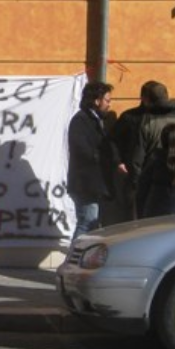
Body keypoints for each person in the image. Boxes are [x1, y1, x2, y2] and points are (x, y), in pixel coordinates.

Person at [66, 81, 115, 241]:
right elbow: (82, 149)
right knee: (87, 221)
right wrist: (101, 158)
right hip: (85, 183)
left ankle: (85, 255)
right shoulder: (81, 120)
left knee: (92, 224)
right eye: (107, 100)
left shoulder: (99, 120)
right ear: (97, 100)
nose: (109, 104)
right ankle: (75, 254)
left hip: (95, 183)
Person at [130, 82, 175, 181]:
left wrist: (137, 183)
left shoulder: (146, 122)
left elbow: (137, 159)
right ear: (167, 96)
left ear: (147, 100)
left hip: (155, 179)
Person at [110, 80, 160, 220]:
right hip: (133, 174)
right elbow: (113, 140)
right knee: (132, 215)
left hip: (156, 175)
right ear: (143, 98)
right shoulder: (129, 117)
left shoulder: (162, 116)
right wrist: (118, 162)